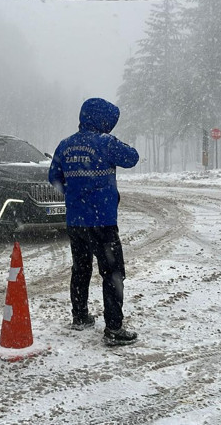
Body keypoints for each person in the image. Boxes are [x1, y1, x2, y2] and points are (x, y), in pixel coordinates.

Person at [48, 97, 139, 346]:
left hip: (76, 221)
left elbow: (53, 176)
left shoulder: (65, 145)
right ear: (102, 119)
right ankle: (113, 328)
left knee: (81, 269)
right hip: (103, 221)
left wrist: (72, 194)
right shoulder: (106, 142)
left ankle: (80, 316)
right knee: (112, 273)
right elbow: (132, 158)